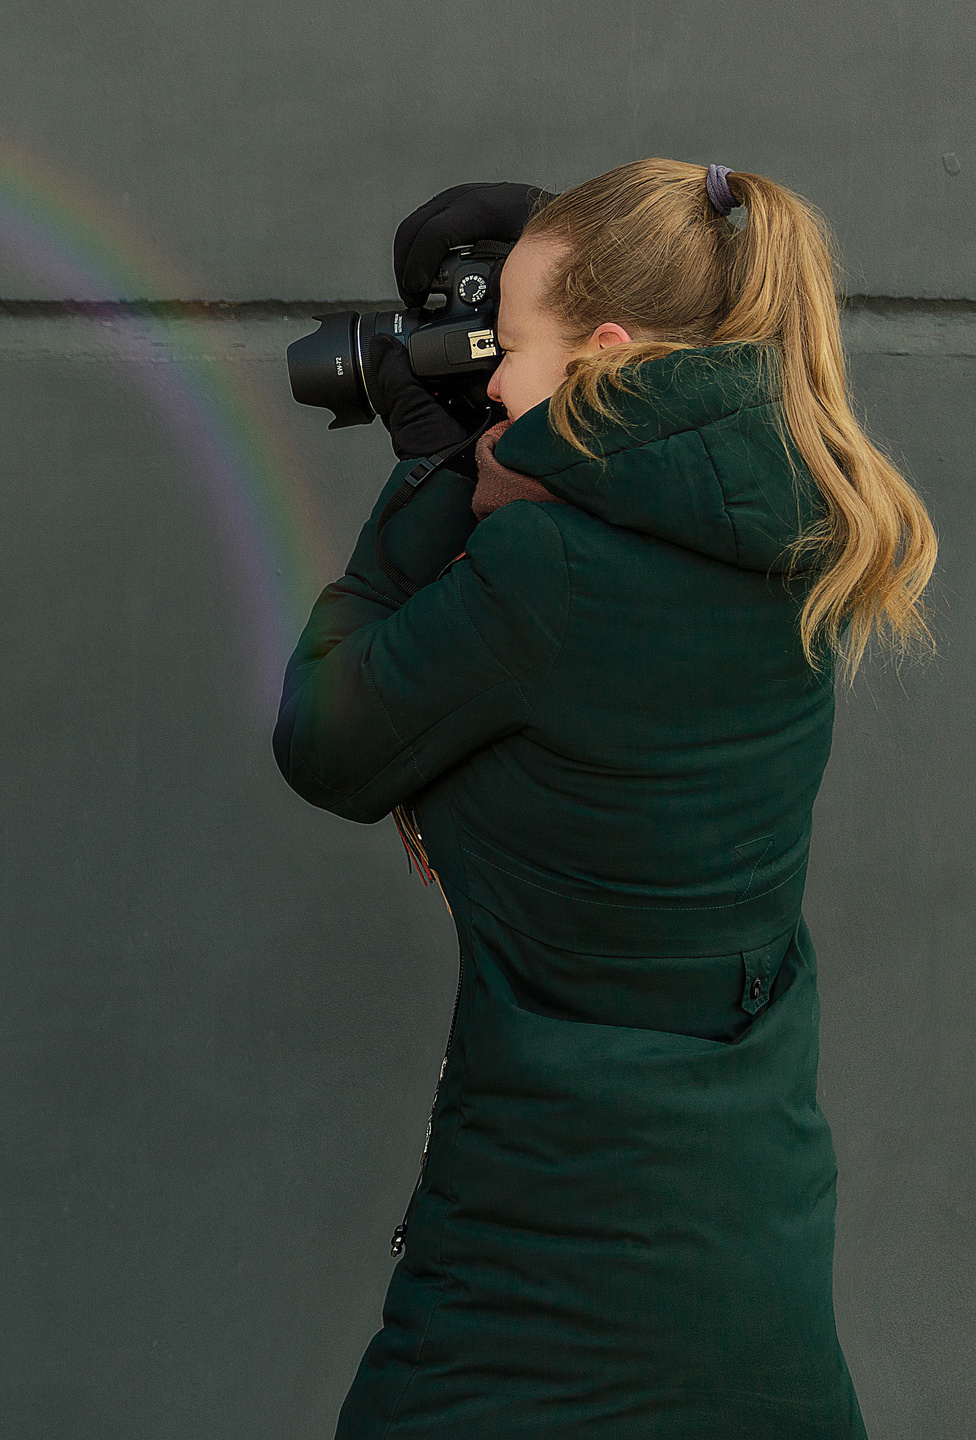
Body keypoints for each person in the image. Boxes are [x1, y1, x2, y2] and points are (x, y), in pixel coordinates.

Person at [275, 161, 935, 1435]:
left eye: (510, 347)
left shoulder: (545, 570)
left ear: (611, 356)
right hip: (752, 1239)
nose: (491, 383)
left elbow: (326, 735)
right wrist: (529, 330)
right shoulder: (800, 534)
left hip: (550, 1265)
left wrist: (427, 472)